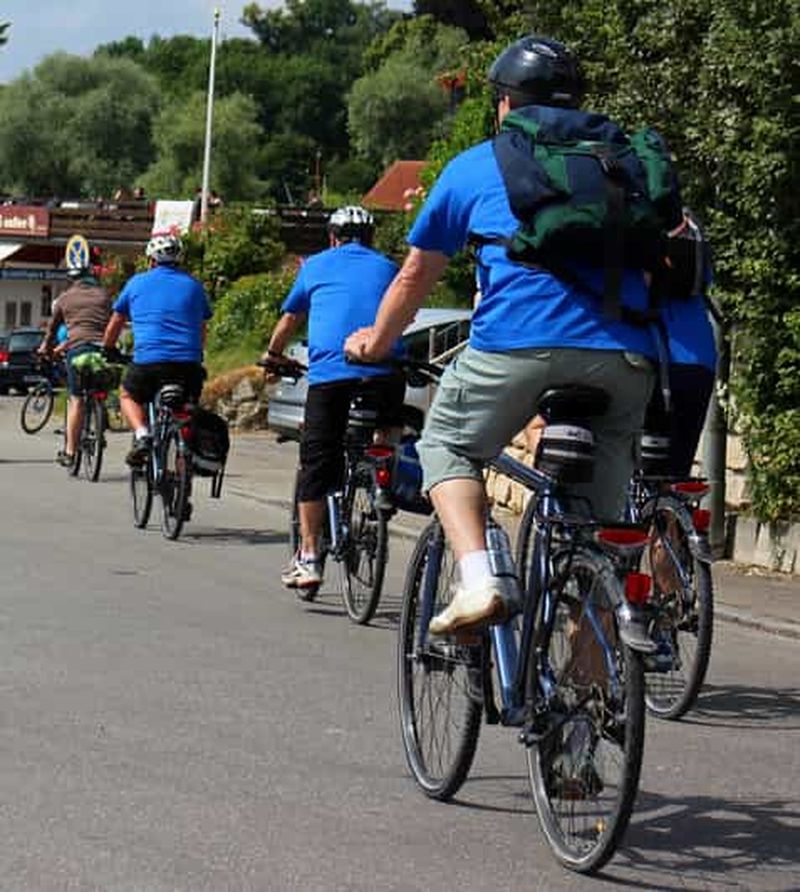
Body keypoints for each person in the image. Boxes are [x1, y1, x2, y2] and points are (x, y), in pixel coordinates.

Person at [345, 35, 670, 642]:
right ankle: (585, 711)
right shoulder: (622, 163)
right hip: (626, 356)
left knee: (444, 445)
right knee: (600, 533)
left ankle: (479, 579)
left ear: (504, 103)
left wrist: (376, 342)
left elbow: (417, 273)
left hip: (516, 347)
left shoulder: (478, 164)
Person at [262, 205, 405, 591]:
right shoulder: (389, 267)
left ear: (332, 237)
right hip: (385, 371)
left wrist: (273, 356)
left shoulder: (315, 267)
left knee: (316, 461)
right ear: (371, 238)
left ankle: (309, 557)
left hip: (332, 376)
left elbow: (290, 321)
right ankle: (382, 478)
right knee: (389, 422)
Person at [102, 232, 211, 469]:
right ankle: (184, 487)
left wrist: (108, 349)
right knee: (185, 417)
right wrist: (196, 353)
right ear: (178, 260)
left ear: (151, 260)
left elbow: (116, 322)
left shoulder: (136, 283)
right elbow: (202, 328)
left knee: (128, 394)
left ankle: (142, 435)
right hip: (188, 365)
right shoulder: (194, 286)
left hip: (149, 362)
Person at [39, 251, 112, 467]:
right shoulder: (104, 296)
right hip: (101, 350)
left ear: (72, 279)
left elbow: (52, 331)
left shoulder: (65, 298)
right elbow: (113, 322)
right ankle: (101, 421)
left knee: (76, 399)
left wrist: (46, 348)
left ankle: (70, 451)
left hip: (77, 349)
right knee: (100, 387)